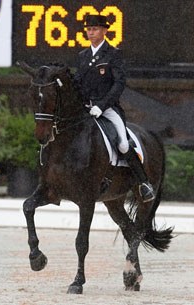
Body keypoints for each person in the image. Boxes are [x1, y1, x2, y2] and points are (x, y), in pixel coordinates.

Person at [74, 14, 154, 202]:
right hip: (86, 108)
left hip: (108, 108)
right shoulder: (82, 56)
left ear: (104, 31)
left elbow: (118, 84)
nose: (90, 32)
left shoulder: (113, 54)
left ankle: (143, 183)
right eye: (88, 29)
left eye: (94, 29)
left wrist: (101, 106)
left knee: (123, 143)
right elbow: (77, 82)